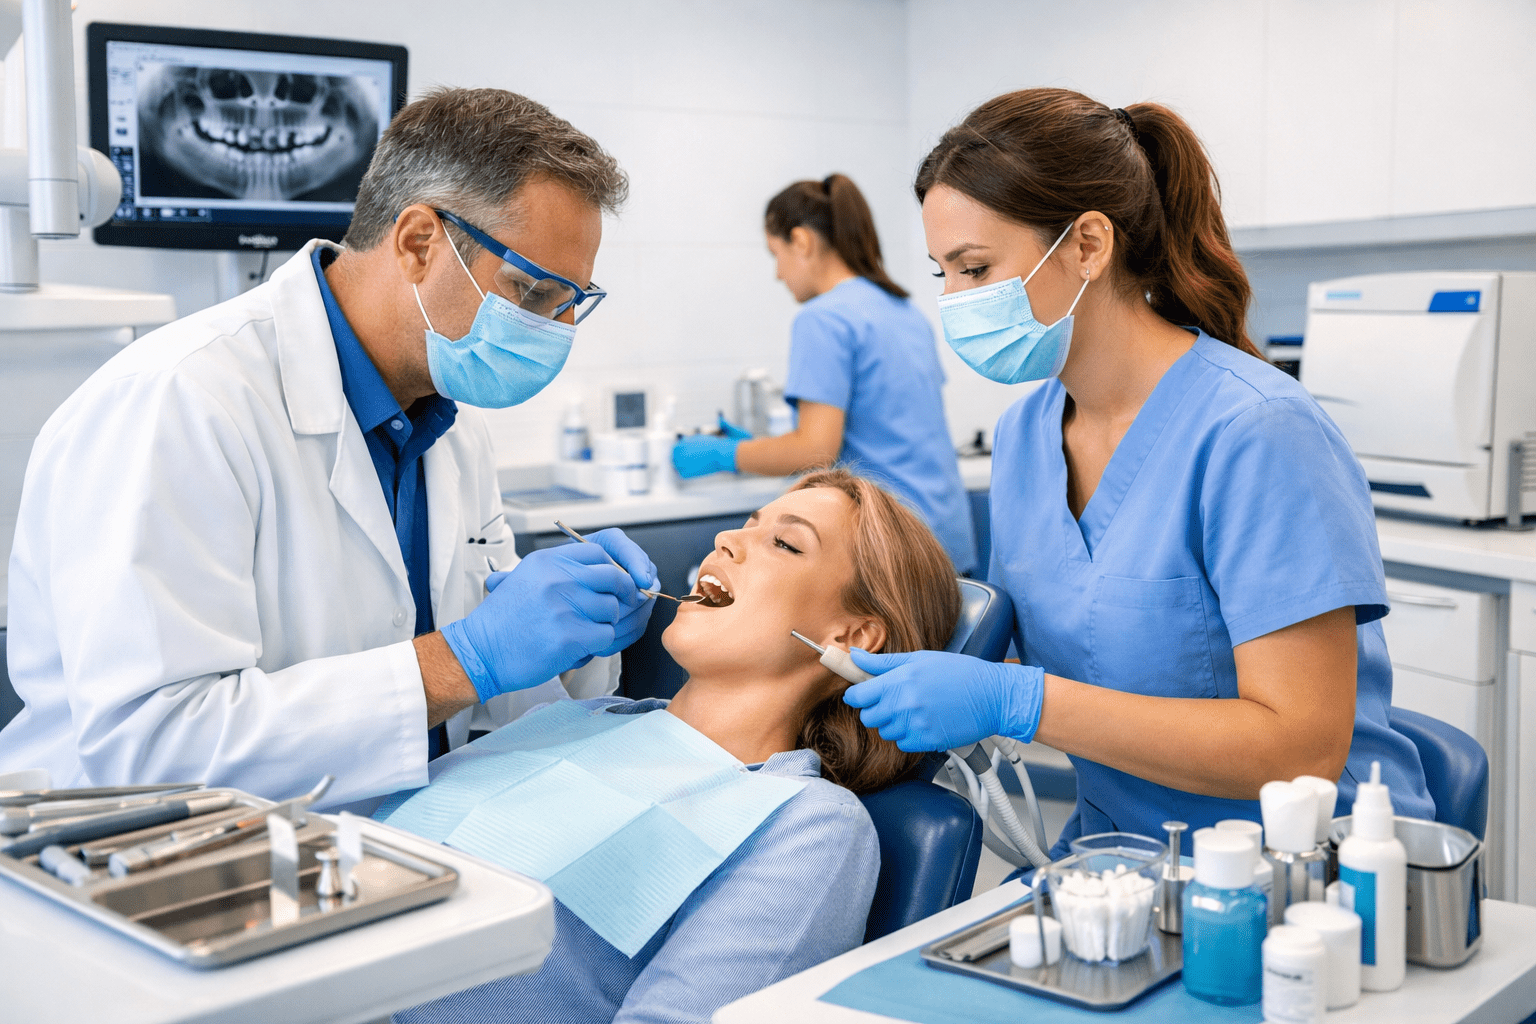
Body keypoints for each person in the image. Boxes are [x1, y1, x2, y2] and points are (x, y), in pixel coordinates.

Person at [0, 89, 660, 808]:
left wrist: (575, 641)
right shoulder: (178, 402)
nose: (555, 331)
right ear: (419, 242)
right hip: (134, 852)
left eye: (571, 303)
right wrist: (467, 659)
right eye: (530, 292)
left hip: (379, 837)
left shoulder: (449, 420)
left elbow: (488, 703)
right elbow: (155, 748)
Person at [841, 89, 1433, 853]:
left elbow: (1300, 749)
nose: (954, 301)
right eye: (942, 275)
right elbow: (1046, 636)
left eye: (975, 268)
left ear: (1088, 244)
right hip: (1120, 853)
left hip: (1305, 866)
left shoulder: (1257, 431)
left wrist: (1020, 701)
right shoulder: (1025, 437)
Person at [383, 469, 962, 1024]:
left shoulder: (806, 822)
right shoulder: (575, 718)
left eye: (785, 544)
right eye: (748, 523)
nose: (727, 538)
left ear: (851, 638)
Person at [672, 174, 978, 575]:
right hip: (946, 537)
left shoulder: (823, 318)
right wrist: (758, 446)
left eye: (775, 254)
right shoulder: (904, 311)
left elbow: (814, 450)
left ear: (801, 242)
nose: (778, 274)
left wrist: (725, 454)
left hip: (890, 547)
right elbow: (885, 428)